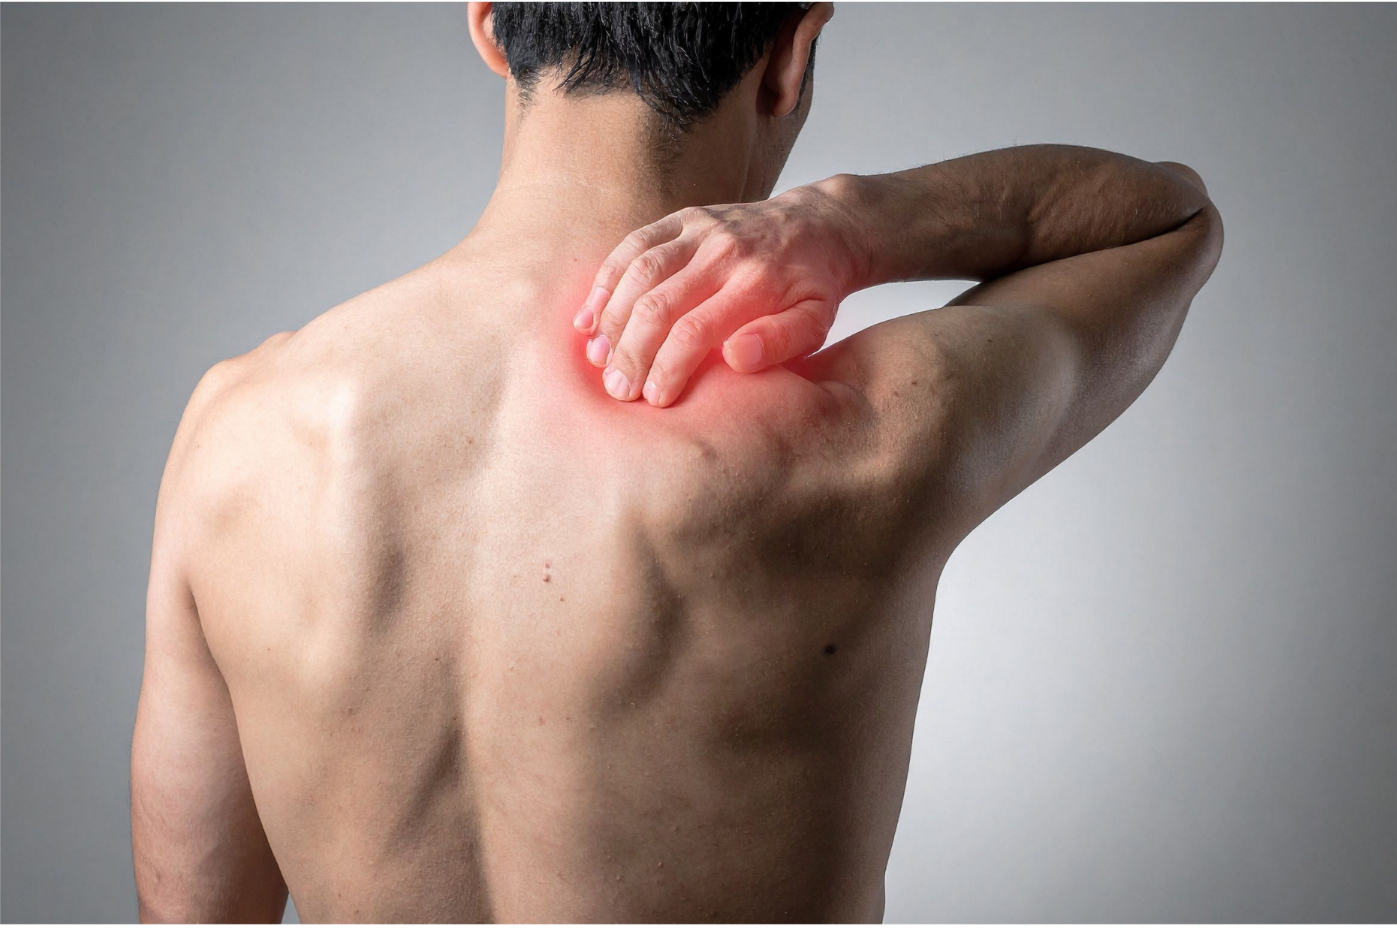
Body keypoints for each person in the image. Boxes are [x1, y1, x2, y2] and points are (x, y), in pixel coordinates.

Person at [130, 0, 1223, 923]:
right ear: (790, 55)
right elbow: (1167, 222)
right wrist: (853, 220)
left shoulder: (235, 435)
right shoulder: (860, 432)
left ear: (489, 24)